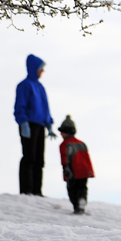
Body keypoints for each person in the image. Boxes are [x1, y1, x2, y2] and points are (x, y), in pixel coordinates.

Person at [13, 54, 56, 196]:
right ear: (34, 68)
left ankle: (37, 191)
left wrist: (49, 124)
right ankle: (27, 191)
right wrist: (23, 123)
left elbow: (45, 107)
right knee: (29, 157)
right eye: (41, 68)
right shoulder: (24, 85)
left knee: (39, 159)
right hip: (29, 125)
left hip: (40, 125)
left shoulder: (40, 87)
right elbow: (20, 106)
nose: (42, 71)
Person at [58, 115, 95, 214]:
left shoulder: (64, 144)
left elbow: (64, 158)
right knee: (82, 187)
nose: (61, 134)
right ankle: (82, 202)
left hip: (73, 171)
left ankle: (76, 206)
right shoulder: (82, 143)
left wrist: (66, 168)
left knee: (72, 189)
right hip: (84, 171)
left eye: (62, 131)